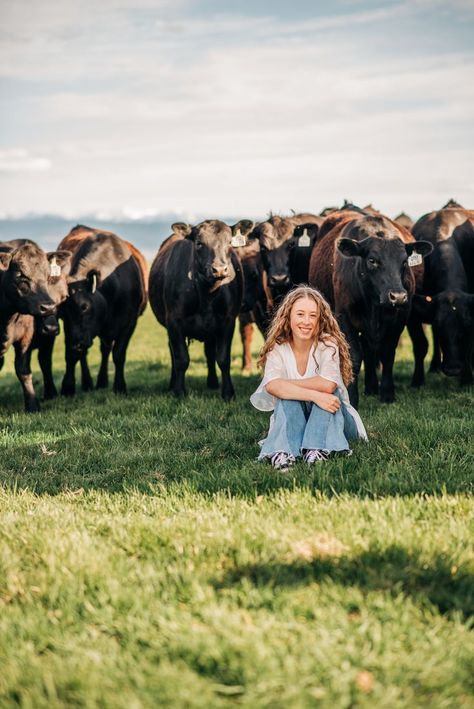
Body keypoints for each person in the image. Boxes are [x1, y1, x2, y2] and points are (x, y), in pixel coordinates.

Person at [250, 286, 367, 470]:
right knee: (286, 395)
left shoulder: (328, 344)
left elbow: (327, 385)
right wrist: (315, 395)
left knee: (330, 391)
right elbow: (272, 387)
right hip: (295, 418)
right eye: (300, 314)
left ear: (320, 319)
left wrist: (286, 386)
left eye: (313, 315)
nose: (306, 321)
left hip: (337, 418)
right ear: (288, 316)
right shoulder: (277, 347)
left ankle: (316, 449)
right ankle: (283, 453)